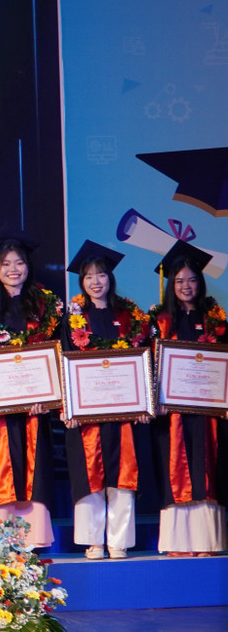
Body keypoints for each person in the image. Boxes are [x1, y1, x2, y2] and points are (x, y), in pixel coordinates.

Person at [60, 240, 152, 560]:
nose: (96, 281)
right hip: (87, 415)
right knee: (89, 476)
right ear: (81, 282)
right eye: (88, 276)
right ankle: (93, 541)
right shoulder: (72, 318)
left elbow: (145, 361)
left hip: (124, 414)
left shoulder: (130, 316)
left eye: (101, 274)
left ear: (110, 278)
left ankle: (119, 541)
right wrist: (68, 408)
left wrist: (144, 404)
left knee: (122, 476)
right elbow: (64, 364)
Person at [0, 228, 61, 548]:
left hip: (35, 409)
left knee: (35, 473)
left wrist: (50, 398)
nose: (13, 269)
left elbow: (56, 356)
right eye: (6, 263)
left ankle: (33, 541)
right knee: (2, 469)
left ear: (28, 266)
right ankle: (1, 543)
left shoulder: (45, 306)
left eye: (19, 262)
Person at [147, 240, 227, 556]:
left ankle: (207, 542)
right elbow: (148, 366)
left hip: (208, 414)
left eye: (192, 280)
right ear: (171, 283)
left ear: (200, 282)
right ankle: (178, 542)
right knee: (176, 470)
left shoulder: (216, 321)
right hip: (172, 415)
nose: (186, 286)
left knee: (207, 469)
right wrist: (153, 400)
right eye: (179, 280)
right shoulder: (160, 322)